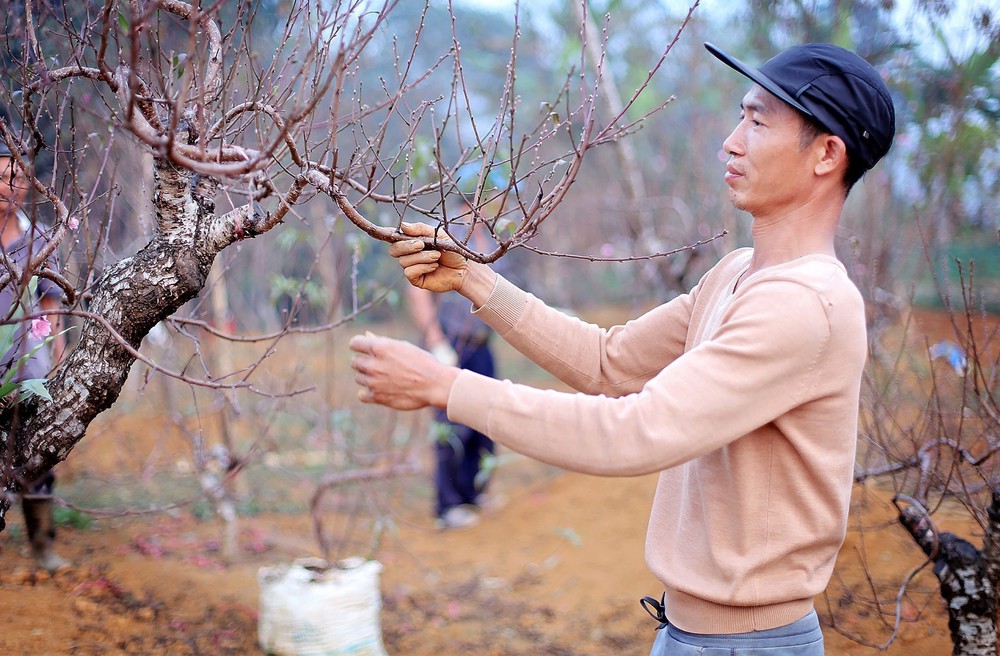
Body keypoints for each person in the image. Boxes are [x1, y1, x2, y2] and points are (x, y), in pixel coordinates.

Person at [350, 41, 894, 655]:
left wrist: (445, 387)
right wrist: (472, 276)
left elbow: (638, 431)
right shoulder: (737, 273)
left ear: (826, 154)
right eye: (741, 116)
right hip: (688, 632)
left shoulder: (805, 305)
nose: (732, 141)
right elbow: (607, 362)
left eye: (758, 121)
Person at [404, 200, 508, 529]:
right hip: (450, 344)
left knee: (487, 417)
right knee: (452, 425)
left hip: (480, 345)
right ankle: (447, 505)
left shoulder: (489, 239)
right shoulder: (445, 235)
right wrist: (435, 342)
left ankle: (472, 493)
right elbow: (418, 291)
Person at [0, 142, 70, 572]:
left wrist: (55, 363)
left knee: (36, 458)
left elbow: (52, 309)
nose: (12, 189)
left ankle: (42, 546)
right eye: (4, 179)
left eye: (20, 180)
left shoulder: (39, 239)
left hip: (29, 371)